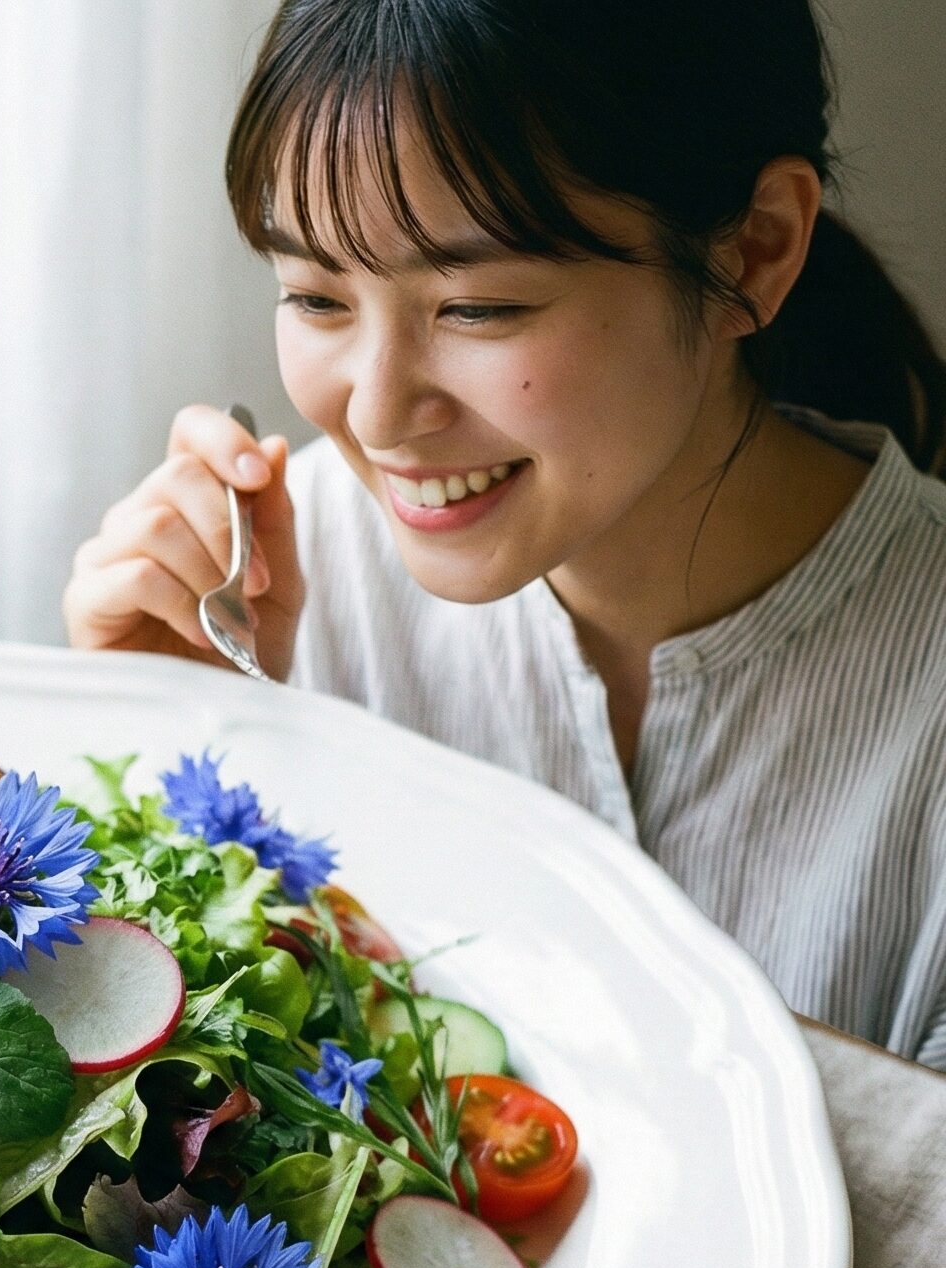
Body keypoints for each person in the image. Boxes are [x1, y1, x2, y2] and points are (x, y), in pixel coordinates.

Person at [63, 0, 946, 1067]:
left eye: (476, 308)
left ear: (754, 251)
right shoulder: (265, 591)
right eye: (313, 296)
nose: (376, 416)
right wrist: (156, 760)